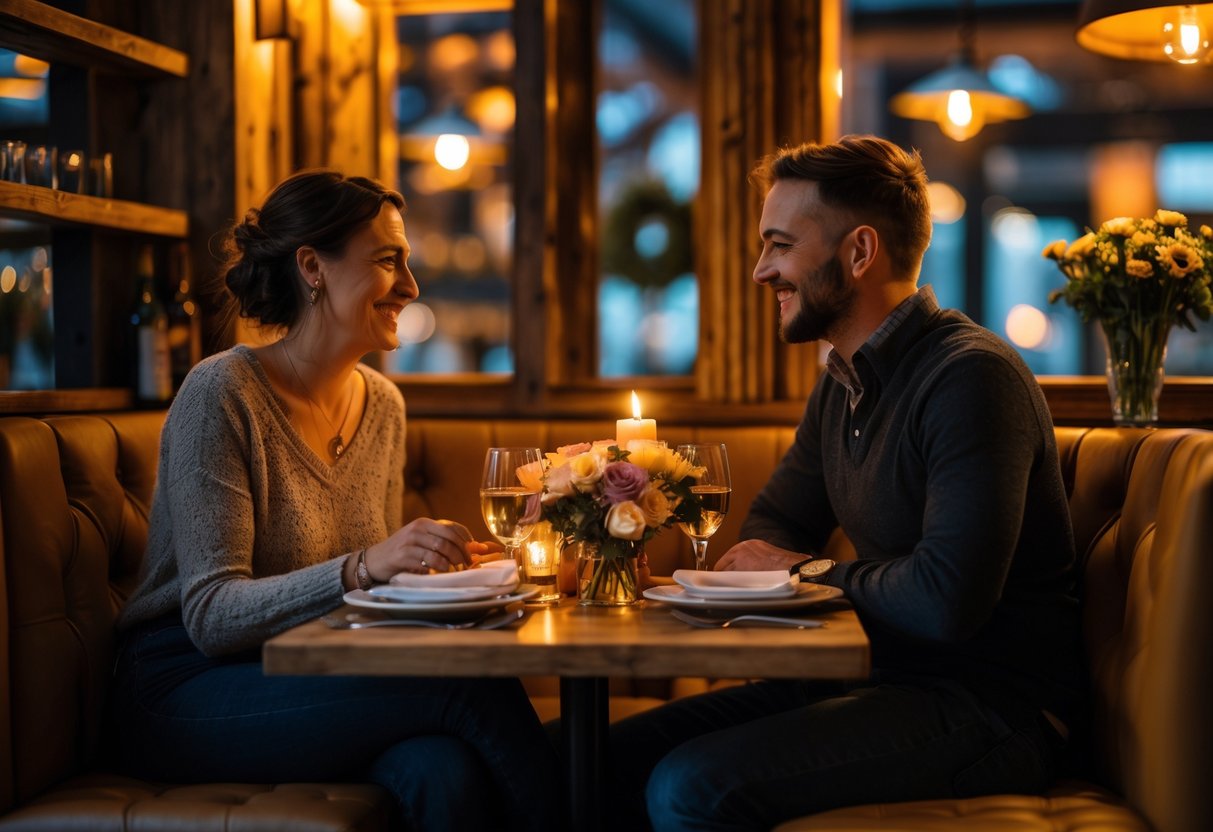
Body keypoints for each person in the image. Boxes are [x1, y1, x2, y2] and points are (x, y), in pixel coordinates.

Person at [608, 135, 1082, 831]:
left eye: (778, 245)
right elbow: (773, 521)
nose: (758, 270)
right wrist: (790, 568)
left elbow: (945, 601)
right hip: (873, 678)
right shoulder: (842, 382)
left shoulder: (970, 377)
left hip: (993, 707)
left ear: (858, 253)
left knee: (689, 787)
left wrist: (804, 572)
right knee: (602, 756)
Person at [109, 170, 562, 831]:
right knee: (465, 686)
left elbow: (365, 598)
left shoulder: (382, 403)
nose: (410, 286)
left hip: (318, 671)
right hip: (184, 689)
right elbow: (209, 615)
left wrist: (441, 578)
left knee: (442, 770)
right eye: (387, 261)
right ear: (312, 267)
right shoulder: (221, 395)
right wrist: (366, 566)